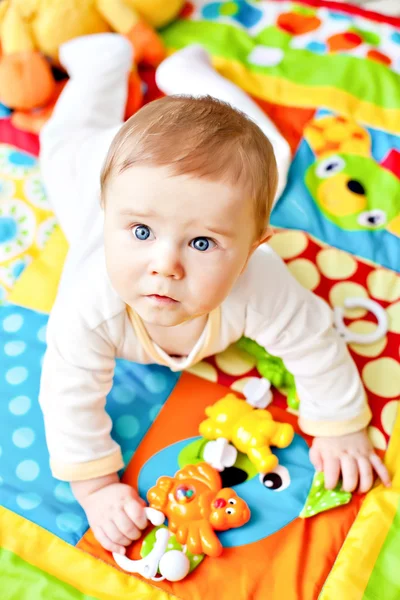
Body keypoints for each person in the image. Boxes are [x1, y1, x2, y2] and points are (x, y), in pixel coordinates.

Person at [39, 34, 390, 556]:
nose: (165, 265)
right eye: (139, 233)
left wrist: (340, 426)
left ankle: (190, 74)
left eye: (202, 243)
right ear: (113, 215)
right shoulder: (91, 308)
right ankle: (101, 63)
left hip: (200, 191)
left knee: (265, 152)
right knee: (63, 147)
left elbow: (313, 340)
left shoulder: (257, 281)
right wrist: (95, 489)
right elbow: (68, 399)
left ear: (253, 249)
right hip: (103, 168)